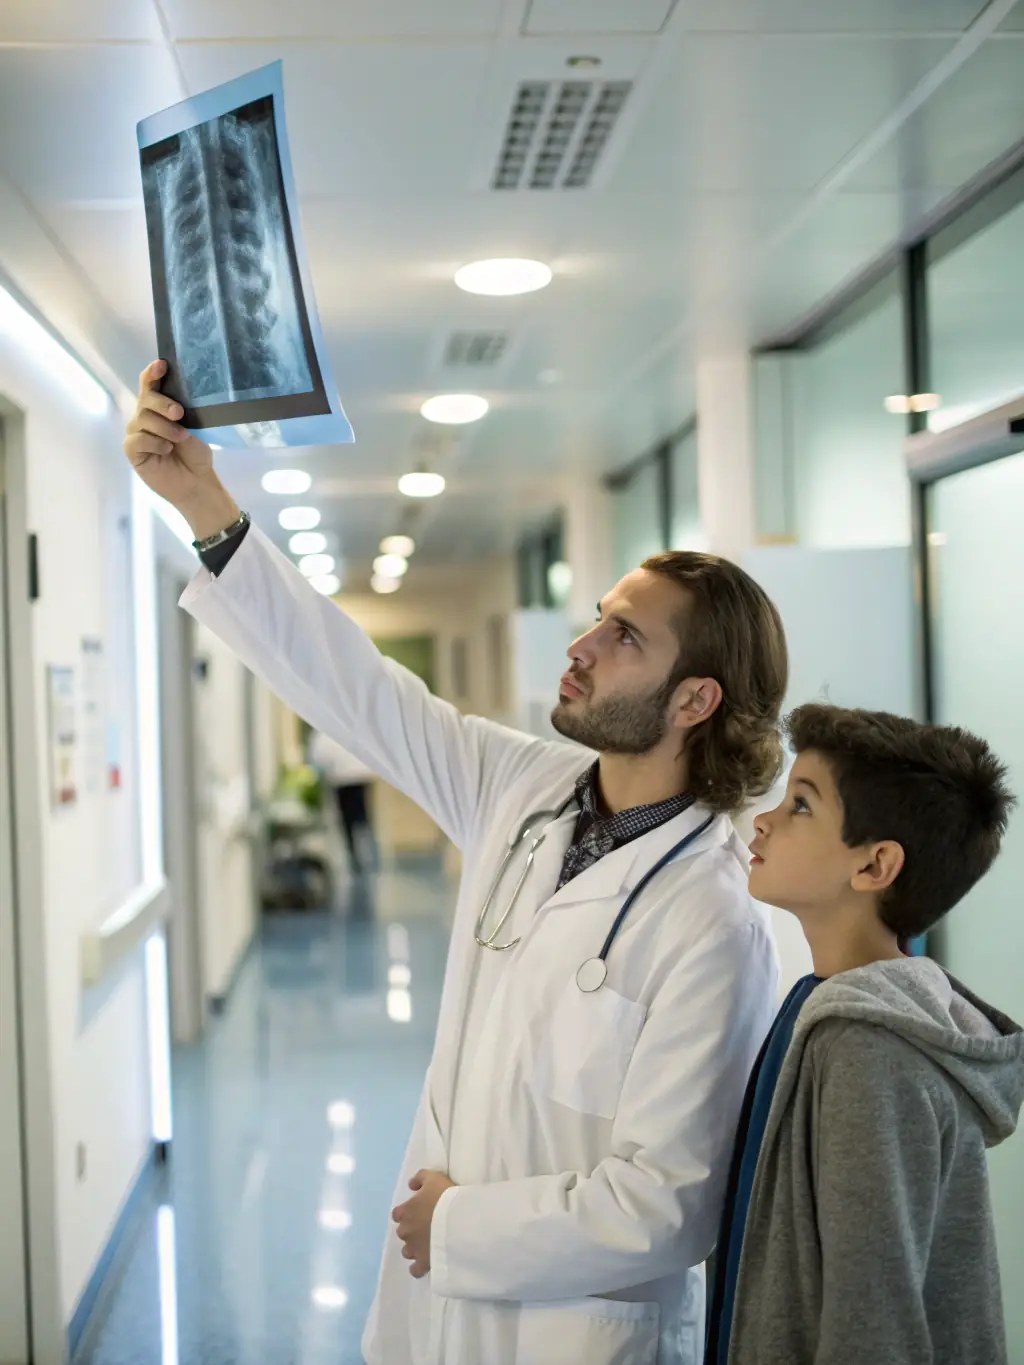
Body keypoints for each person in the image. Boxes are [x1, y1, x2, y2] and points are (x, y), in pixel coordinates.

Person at [124, 359, 789, 1365]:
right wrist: (205, 507)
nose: (581, 644)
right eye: (597, 615)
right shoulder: (521, 788)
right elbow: (354, 688)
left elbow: (670, 1204)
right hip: (434, 1309)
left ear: (695, 700)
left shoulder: (714, 919)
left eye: (623, 636)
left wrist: (461, 1227)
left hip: (573, 1332)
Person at [706, 703, 1024, 1365]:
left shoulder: (869, 1047)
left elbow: (871, 1318)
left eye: (801, 805)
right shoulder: (824, 1003)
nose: (763, 820)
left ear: (876, 865)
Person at [309, 728, 379, 874]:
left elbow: (318, 759)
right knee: (363, 817)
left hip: (343, 779)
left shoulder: (325, 734)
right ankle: (369, 853)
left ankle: (356, 856)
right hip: (360, 776)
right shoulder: (348, 727)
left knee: (348, 820)